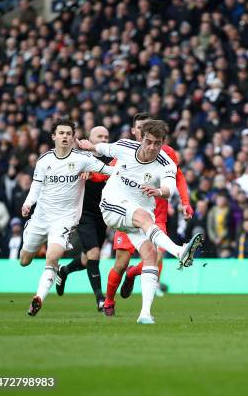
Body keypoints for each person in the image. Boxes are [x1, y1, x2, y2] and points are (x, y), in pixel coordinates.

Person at [76, 119, 201, 324]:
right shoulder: (125, 146)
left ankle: (145, 314)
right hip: (112, 205)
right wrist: (87, 146)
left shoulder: (166, 162)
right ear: (141, 138)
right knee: (130, 244)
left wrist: (159, 191)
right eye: (149, 142)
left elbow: (170, 188)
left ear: (163, 143)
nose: (152, 147)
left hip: (140, 214)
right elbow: (101, 148)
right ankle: (179, 251)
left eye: (157, 143)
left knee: (150, 255)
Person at [20, 118, 115, 317]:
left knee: (52, 257)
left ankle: (39, 298)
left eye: (68, 134)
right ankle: (30, 230)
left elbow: (110, 171)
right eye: (61, 133)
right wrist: (28, 203)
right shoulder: (45, 160)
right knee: (24, 260)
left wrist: (132, 171)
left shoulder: (83, 160)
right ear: (54, 136)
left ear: (73, 138)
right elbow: (36, 187)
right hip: (40, 218)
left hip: (64, 220)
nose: (65, 136)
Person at [114, 113, 196, 311]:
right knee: (121, 262)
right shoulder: (125, 151)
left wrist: (185, 202)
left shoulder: (166, 153)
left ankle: (134, 274)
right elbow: (107, 172)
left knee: (157, 257)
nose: (143, 132)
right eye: (140, 129)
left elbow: (178, 178)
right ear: (136, 133)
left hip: (156, 216)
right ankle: (108, 300)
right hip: (127, 214)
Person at [53, 126, 113, 311]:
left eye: (106, 136)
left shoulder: (111, 160)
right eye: (99, 136)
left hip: (103, 215)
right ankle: (100, 299)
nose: (103, 139)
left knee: (88, 259)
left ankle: (64, 271)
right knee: (94, 253)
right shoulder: (79, 159)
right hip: (83, 214)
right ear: (89, 139)